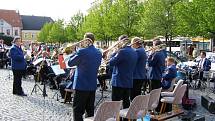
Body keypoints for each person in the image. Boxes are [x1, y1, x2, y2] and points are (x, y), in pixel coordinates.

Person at [68, 33, 102, 121]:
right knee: (90, 110)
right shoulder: (99, 52)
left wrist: (74, 51)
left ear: (86, 40)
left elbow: (70, 63)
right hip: (92, 85)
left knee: (78, 111)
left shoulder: (81, 51)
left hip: (81, 85)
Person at [109, 35, 137, 108]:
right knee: (126, 101)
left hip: (118, 81)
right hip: (128, 80)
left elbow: (111, 62)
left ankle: (116, 118)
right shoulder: (134, 51)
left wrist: (114, 52)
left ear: (121, 41)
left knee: (115, 103)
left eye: (119, 41)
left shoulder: (121, 51)